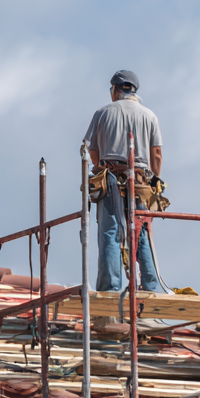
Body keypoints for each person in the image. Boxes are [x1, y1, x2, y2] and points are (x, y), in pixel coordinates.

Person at [84, 70, 162, 294]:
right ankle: (151, 287)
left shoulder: (103, 113)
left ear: (116, 90)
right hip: (139, 182)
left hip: (110, 180)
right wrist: (155, 179)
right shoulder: (149, 116)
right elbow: (156, 154)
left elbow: (92, 150)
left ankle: (110, 289)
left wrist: (103, 169)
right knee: (141, 230)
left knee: (110, 232)